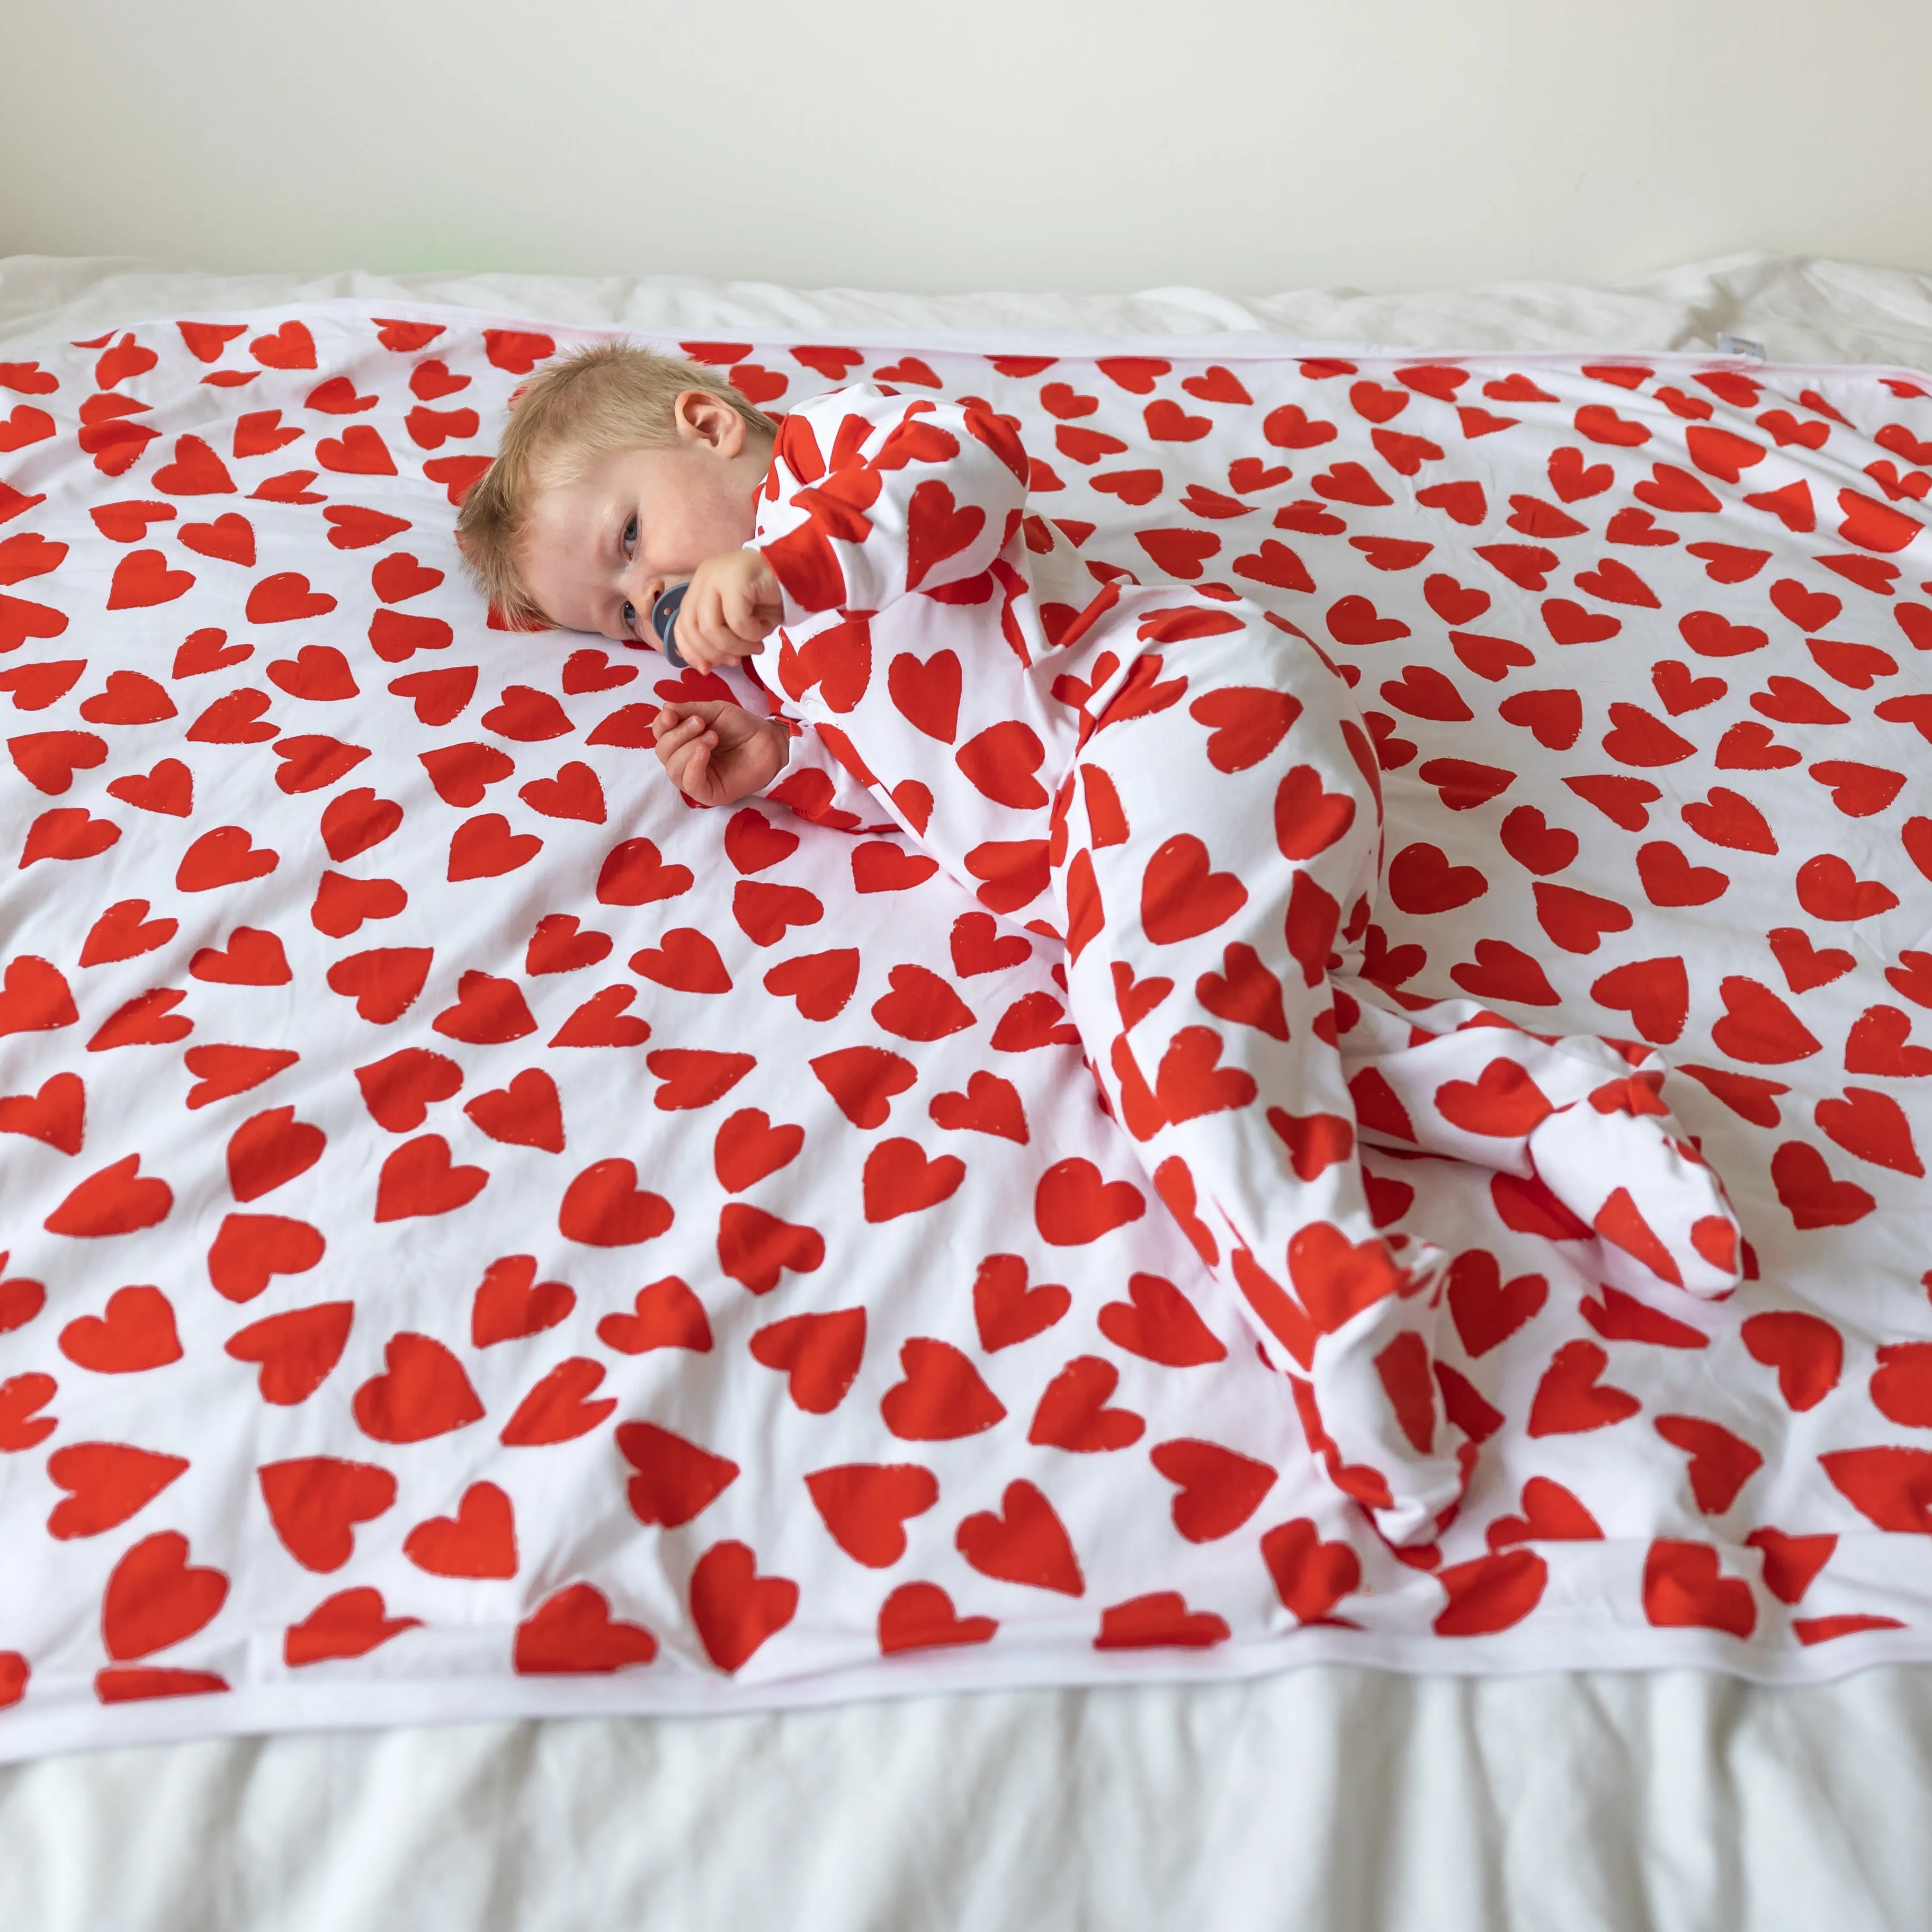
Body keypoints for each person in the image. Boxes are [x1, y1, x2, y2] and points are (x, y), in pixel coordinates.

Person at [458, 344, 1744, 1549]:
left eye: (634, 540)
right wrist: (787, 766)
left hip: (1178, 712)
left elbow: (966, 471)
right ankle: (1560, 1112)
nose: (654, 598)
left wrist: (794, 564)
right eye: (625, 616)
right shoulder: (789, 660)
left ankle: (1332, 1301)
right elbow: (934, 775)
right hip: (1113, 832)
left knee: (1174, 1053)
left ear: (710, 425)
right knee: (1237, 1045)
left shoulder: (840, 469)